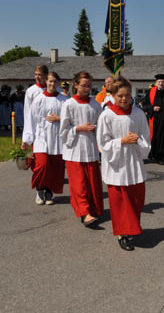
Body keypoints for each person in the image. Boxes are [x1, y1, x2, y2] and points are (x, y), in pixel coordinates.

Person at [97, 76, 150, 251]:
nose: (124, 99)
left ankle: (132, 228)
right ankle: (123, 233)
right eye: (120, 95)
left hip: (134, 163)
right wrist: (122, 141)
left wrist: (137, 142)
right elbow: (103, 144)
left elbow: (145, 137)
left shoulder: (138, 113)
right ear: (112, 95)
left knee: (135, 199)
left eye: (127, 95)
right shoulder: (107, 115)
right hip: (117, 166)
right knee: (120, 202)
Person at [60, 71, 104, 227]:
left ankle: (94, 209)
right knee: (79, 184)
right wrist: (79, 128)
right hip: (75, 149)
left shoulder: (95, 104)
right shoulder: (69, 104)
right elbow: (63, 130)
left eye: (89, 86)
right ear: (76, 85)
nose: (87, 89)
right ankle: (84, 213)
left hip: (91, 147)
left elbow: (103, 124)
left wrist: (96, 129)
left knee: (92, 182)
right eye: (84, 85)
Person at [22, 72, 67, 205]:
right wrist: (27, 139)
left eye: (55, 82)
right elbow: (31, 120)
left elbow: (70, 119)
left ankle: (49, 192)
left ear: (58, 83)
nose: (52, 84)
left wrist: (59, 118)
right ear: (46, 82)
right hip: (41, 136)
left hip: (57, 137)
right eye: (50, 81)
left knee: (54, 167)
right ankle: (39, 189)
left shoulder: (64, 100)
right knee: (41, 165)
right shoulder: (38, 99)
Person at [141, 74, 164, 165]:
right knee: (154, 138)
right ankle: (153, 155)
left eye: (162, 82)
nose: (161, 83)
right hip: (154, 120)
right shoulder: (151, 92)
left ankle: (161, 157)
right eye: (159, 82)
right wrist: (152, 108)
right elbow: (144, 104)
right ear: (156, 83)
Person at [22, 64, 48, 142]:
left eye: (39, 75)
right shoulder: (31, 91)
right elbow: (27, 112)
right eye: (36, 74)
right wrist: (27, 134)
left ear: (46, 75)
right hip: (36, 126)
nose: (37, 77)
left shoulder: (54, 89)